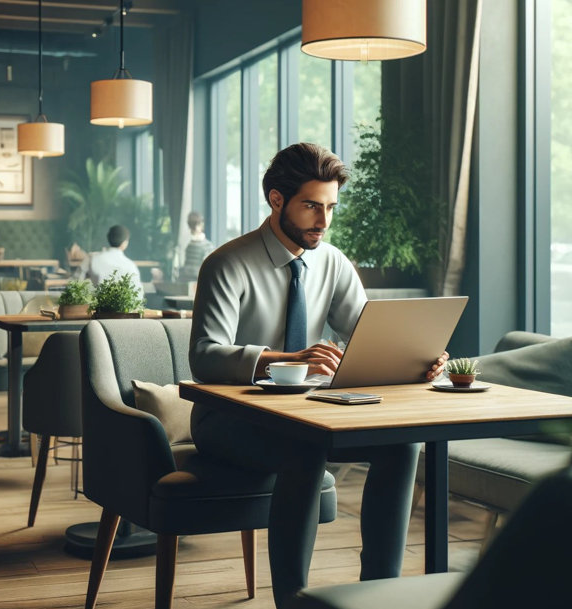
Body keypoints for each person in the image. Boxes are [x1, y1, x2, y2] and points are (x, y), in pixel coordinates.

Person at [188, 143, 448, 608]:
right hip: (227, 421)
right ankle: (292, 599)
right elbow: (204, 357)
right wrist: (286, 359)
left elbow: (369, 335)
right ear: (276, 200)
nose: (323, 221)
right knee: (304, 452)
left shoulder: (332, 261)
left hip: (306, 412)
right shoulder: (227, 264)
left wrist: (418, 356)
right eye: (311, 206)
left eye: (329, 207)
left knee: (402, 444)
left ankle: (378, 591)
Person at [79, 224, 143, 297]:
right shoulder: (131, 266)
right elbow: (138, 295)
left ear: (108, 238)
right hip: (123, 307)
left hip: (94, 306)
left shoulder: (92, 258)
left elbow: (76, 282)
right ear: (125, 243)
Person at [177, 211, 214, 281]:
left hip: (198, 282)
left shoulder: (207, 246)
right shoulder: (187, 244)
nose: (195, 229)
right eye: (192, 226)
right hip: (187, 282)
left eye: (197, 225)